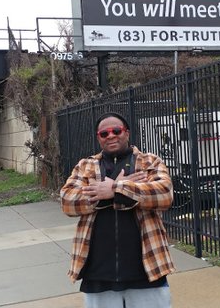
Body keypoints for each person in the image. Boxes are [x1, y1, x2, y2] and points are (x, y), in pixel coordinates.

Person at [60, 112, 175, 308]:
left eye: (116, 131)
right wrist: (122, 192)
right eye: (104, 133)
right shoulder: (85, 166)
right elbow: (68, 201)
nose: (111, 136)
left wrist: (115, 188)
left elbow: (164, 194)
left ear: (127, 133)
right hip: (97, 272)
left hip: (146, 269)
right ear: (99, 138)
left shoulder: (149, 162)